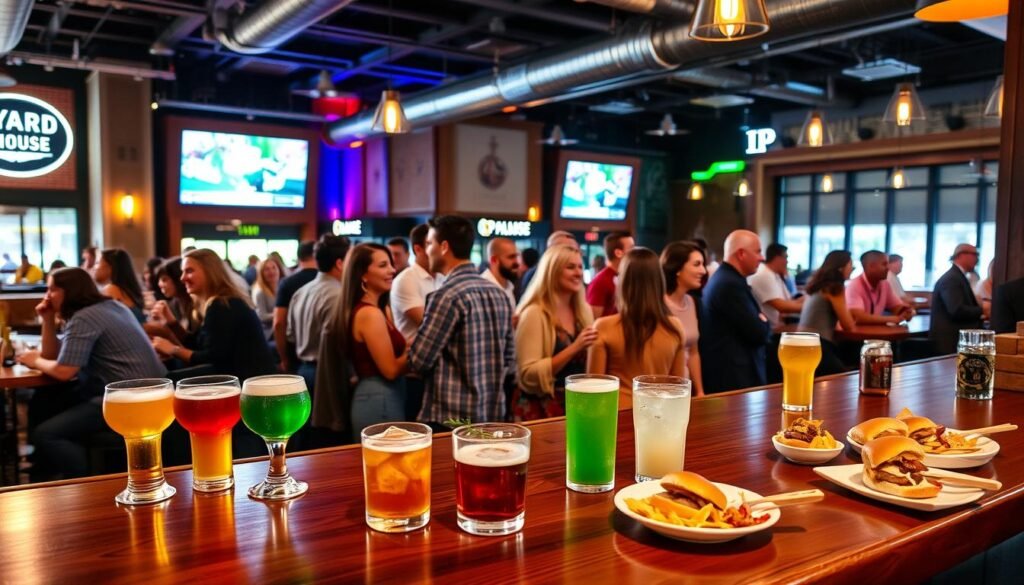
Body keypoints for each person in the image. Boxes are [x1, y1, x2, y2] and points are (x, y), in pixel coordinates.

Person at [17, 268, 166, 479]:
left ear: (69, 291)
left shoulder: (84, 317)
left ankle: (83, 484)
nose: (47, 295)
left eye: (52, 289)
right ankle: (47, 473)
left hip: (131, 400)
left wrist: (35, 360)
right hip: (149, 394)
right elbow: (55, 356)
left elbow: (64, 371)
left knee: (47, 433)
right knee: (45, 402)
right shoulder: (109, 305)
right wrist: (47, 319)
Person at [408, 216, 515, 427]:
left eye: (430, 244)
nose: (427, 250)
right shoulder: (499, 293)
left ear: (444, 247)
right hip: (491, 415)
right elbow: (509, 358)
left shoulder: (446, 296)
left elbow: (419, 361)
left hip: (451, 419)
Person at [151, 249, 275, 381]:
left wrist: (173, 350)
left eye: (189, 271)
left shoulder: (223, 305)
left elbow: (212, 358)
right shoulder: (213, 303)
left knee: (171, 379)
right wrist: (171, 322)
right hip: (238, 375)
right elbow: (197, 344)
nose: (182, 278)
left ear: (209, 272)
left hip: (250, 381)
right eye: (183, 272)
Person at [588, 247, 686, 407]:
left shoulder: (603, 327)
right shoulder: (675, 327)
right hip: (660, 414)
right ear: (658, 283)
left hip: (617, 416)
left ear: (623, 284)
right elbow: (678, 388)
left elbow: (593, 392)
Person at [514, 244, 596, 420]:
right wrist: (575, 347)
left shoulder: (584, 311)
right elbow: (528, 375)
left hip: (578, 405)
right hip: (542, 410)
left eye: (580, 267)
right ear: (552, 271)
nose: (578, 273)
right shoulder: (534, 313)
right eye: (570, 267)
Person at [334, 243, 407, 431]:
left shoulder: (379, 309)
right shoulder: (369, 314)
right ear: (363, 275)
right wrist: (418, 348)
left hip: (382, 396)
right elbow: (390, 370)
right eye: (383, 265)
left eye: (391, 264)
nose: (392, 270)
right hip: (378, 399)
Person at [699, 230, 771, 394]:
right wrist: (764, 321)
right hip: (733, 378)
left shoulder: (728, 279)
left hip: (734, 373)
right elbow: (758, 332)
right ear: (741, 254)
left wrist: (762, 320)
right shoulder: (729, 284)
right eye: (758, 251)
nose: (762, 258)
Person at [288, 235, 349, 394]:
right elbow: (339, 342)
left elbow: (290, 335)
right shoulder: (338, 295)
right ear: (340, 264)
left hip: (302, 370)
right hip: (327, 373)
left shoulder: (301, 292)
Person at [390, 224, 439, 421]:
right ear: (418, 249)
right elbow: (429, 325)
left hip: (437, 371)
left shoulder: (442, 276)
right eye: (431, 244)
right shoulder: (407, 280)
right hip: (414, 371)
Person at [798, 250, 858, 375]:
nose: (852, 268)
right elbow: (848, 326)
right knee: (844, 378)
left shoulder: (818, 285)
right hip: (817, 345)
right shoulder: (834, 288)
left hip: (800, 342)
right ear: (841, 268)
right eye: (850, 264)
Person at [661, 241, 707, 397]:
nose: (703, 270)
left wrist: (700, 391)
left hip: (685, 391)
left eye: (703, 264)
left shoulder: (693, 302)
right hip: (662, 391)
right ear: (677, 268)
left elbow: (693, 352)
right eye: (697, 264)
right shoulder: (658, 304)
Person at [930, 243, 985, 355]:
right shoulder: (952, 278)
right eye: (975, 254)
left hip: (954, 341)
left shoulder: (957, 276)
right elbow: (956, 310)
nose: (977, 259)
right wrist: (982, 310)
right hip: (949, 343)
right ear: (961, 255)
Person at [274, 241, 318, 372]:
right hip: (323, 355)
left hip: (295, 352)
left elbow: (278, 323)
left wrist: (284, 358)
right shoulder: (328, 282)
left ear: (299, 258)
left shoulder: (287, 283)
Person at [846, 250, 914, 325]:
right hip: (856, 334)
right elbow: (858, 317)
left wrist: (907, 312)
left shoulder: (884, 284)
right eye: (884, 264)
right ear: (871, 266)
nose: (888, 268)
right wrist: (894, 319)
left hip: (875, 332)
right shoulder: (854, 285)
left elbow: (896, 306)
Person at [747, 243, 804, 329]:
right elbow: (782, 307)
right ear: (777, 258)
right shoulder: (763, 275)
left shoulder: (774, 274)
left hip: (779, 325)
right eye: (786, 257)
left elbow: (789, 301)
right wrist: (811, 307)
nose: (787, 261)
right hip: (770, 330)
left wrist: (810, 298)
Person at [146, 256, 197, 346]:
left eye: (164, 279)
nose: (160, 284)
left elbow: (192, 345)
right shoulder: (175, 303)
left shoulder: (196, 305)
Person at [587, 231, 635, 318]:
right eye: (631, 248)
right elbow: (593, 320)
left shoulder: (626, 277)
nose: (635, 253)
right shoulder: (600, 281)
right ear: (618, 253)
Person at [94, 249, 145, 323]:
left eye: (97, 263)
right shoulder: (127, 290)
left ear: (110, 267)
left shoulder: (111, 290)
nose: (94, 268)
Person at [252, 256, 286, 341]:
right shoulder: (260, 293)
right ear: (262, 273)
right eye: (267, 269)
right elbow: (262, 316)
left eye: (274, 268)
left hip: (283, 328)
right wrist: (280, 314)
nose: (271, 271)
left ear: (279, 270)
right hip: (270, 333)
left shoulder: (283, 289)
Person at [481, 237, 520, 309]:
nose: (516, 262)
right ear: (494, 260)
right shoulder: (481, 289)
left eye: (516, 257)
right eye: (511, 257)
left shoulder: (509, 286)